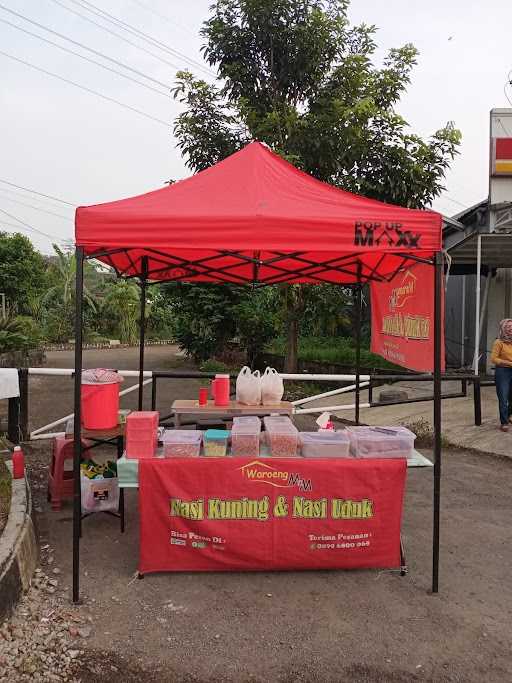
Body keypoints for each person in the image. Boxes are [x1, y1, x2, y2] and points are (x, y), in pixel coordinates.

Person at [491, 319, 512, 431]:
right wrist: (510, 363)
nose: (511, 328)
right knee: (503, 397)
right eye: (508, 326)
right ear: (503, 328)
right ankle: (504, 422)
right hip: (503, 372)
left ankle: (508, 416)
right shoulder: (499, 342)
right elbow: (493, 359)